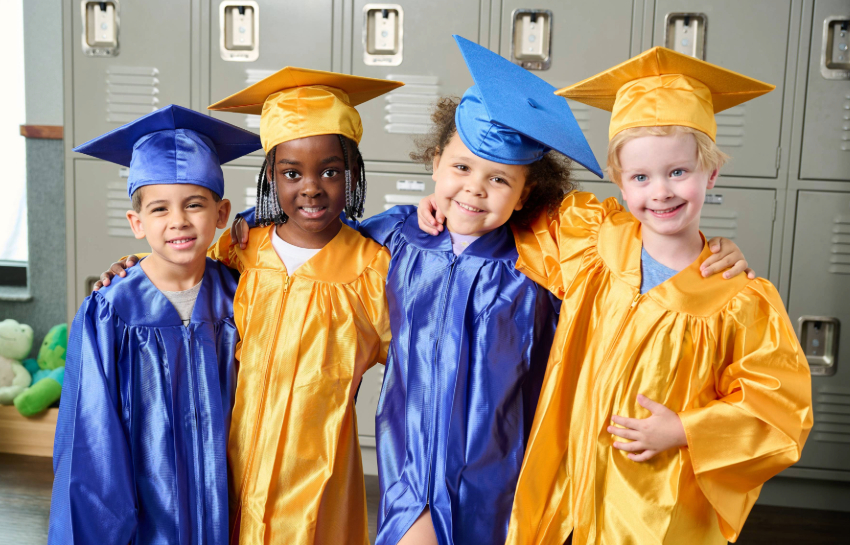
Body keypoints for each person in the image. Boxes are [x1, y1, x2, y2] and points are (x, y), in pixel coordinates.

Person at [234, 37, 750, 545]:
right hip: (411, 467)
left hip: (502, 475)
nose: (475, 189)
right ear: (435, 162)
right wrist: (253, 220)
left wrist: (709, 249)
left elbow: (637, 237)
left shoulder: (545, 253)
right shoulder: (395, 236)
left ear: (528, 192)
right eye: (460, 168)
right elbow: (315, 240)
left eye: (500, 180)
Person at [494, 48, 812, 544]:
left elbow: (780, 412)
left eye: (678, 173)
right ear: (621, 184)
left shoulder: (740, 298)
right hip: (570, 481)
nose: (660, 191)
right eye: (641, 177)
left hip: (652, 505)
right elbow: (505, 207)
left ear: (711, 175)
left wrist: (687, 429)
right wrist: (438, 201)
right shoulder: (595, 240)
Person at [97, 68, 403, 545]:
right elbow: (183, 268)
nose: (311, 187)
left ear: (353, 174)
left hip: (317, 478)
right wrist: (133, 267)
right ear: (270, 177)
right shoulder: (242, 249)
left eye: (331, 171)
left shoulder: (373, 271)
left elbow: (415, 374)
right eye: (291, 173)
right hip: (229, 464)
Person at [48, 105, 262, 545]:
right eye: (160, 209)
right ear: (137, 223)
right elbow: (90, 443)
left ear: (222, 215)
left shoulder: (242, 296)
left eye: (195, 204)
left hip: (231, 503)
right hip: (146, 509)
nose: (178, 221)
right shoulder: (111, 311)